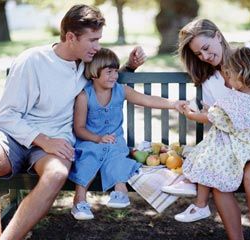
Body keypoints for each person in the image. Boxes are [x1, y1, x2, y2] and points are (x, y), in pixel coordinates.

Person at [0, 5, 146, 240]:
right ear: (71, 37)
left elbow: (104, 79)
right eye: (92, 40)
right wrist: (43, 140)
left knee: (55, 174)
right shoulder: (32, 60)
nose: (98, 46)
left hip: (58, 139)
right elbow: (5, 115)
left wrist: (130, 67)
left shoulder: (86, 64)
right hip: (13, 135)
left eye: (99, 39)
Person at [162, 19, 250, 239]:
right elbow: (216, 119)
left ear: (217, 35)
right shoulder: (209, 80)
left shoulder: (249, 56)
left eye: (206, 48)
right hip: (243, 143)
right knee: (218, 176)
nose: (205, 57)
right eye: (198, 54)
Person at [69, 48, 186, 220]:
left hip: (114, 141)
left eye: (116, 71)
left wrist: (173, 104)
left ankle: (120, 192)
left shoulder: (120, 90)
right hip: (90, 141)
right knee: (88, 158)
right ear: (94, 73)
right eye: (109, 72)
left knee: (118, 155)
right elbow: (79, 128)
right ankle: (79, 201)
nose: (114, 76)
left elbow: (147, 99)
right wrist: (97, 139)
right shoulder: (84, 96)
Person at [174, 47, 250, 223]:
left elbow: (207, 118)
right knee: (213, 146)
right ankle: (196, 193)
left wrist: (189, 114)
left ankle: (200, 203)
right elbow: (228, 117)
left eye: (229, 75)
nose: (227, 79)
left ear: (241, 76)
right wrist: (214, 112)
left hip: (239, 149)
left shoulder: (234, 99)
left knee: (210, 154)